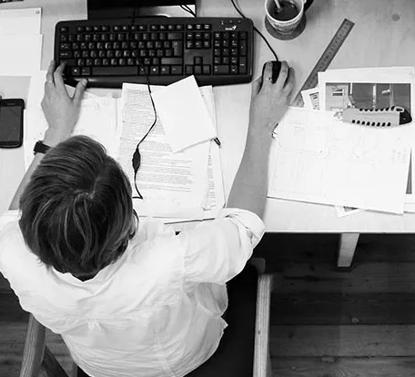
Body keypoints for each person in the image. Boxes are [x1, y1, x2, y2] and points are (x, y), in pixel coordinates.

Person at [0, 60, 294, 377]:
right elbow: (242, 227)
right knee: (246, 270)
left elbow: (10, 216)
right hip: (185, 357)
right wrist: (261, 125)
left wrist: (55, 131)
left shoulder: (11, 254)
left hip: (100, 367)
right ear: (128, 222)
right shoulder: (167, 260)